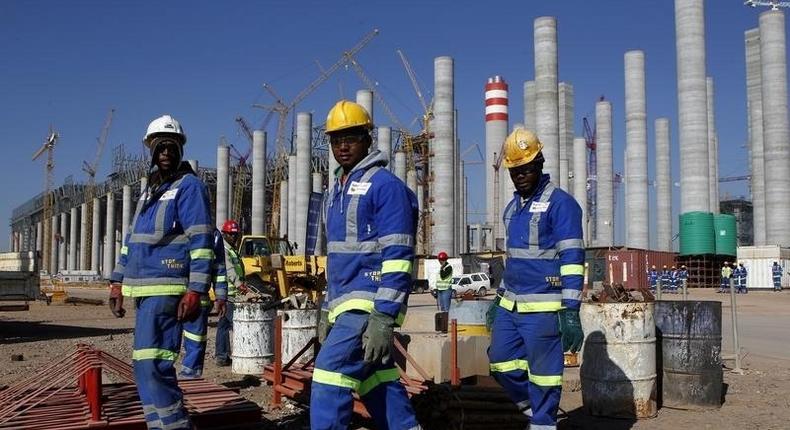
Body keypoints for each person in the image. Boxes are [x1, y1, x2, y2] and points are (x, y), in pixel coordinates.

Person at [310, 100, 421, 430]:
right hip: (345, 307)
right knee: (378, 383)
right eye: (336, 139)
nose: (343, 146)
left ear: (367, 139)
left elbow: (399, 255)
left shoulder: (386, 186)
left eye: (351, 137)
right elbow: (340, 260)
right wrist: (327, 309)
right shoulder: (335, 191)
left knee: (329, 377)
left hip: (370, 306)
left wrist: (384, 316)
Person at [108, 114, 214, 430]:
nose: (165, 152)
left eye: (171, 146)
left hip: (167, 289)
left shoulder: (189, 186)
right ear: (150, 150)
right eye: (159, 146)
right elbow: (132, 241)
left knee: (154, 364)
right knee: (144, 366)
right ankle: (161, 425)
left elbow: (201, 240)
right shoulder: (149, 190)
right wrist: (116, 281)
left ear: (180, 148)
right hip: (144, 290)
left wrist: (196, 290)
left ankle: (177, 426)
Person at [487, 128, 584, 429]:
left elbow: (572, 259)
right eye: (515, 171)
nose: (520, 176)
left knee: (545, 375)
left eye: (526, 169)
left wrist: (570, 310)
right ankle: (532, 409)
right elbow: (512, 261)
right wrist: (497, 298)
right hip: (510, 304)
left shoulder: (561, 204)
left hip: (544, 307)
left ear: (539, 163)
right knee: (499, 363)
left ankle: (543, 423)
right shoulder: (512, 209)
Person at [179, 227, 226, 378]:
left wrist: (221, 296)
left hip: (196, 298)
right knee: (168, 340)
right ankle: (166, 378)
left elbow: (219, 269)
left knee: (195, 338)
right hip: (174, 293)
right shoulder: (212, 233)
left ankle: (190, 376)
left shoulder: (213, 233)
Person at [215, 219, 245, 367]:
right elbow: (229, 270)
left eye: (236, 234)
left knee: (223, 326)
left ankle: (222, 356)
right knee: (238, 324)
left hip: (230, 294)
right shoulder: (225, 250)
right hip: (228, 294)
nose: (234, 237)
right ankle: (243, 355)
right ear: (224, 234)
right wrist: (240, 285)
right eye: (231, 235)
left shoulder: (231, 249)